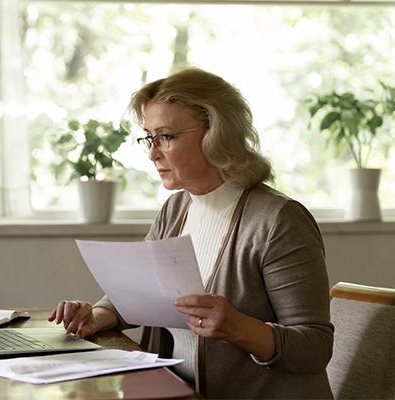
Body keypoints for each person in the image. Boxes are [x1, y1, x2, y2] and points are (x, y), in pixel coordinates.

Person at [48, 68, 334, 399]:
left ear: (217, 134)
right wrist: (96, 316)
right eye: (149, 137)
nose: (153, 153)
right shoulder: (175, 209)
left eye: (166, 136)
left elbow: (314, 348)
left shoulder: (279, 220)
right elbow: (136, 294)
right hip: (177, 391)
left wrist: (237, 327)